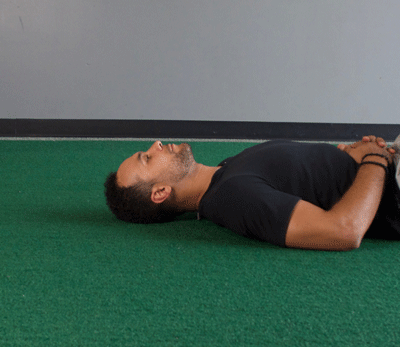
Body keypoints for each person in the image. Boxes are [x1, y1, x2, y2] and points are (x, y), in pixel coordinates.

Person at [104, 135, 400, 251]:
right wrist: (375, 159)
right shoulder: (233, 197)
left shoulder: (226, 171)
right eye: (147, 158)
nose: (156, 144)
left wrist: (348, 156)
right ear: (161, 192)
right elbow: (343, 231)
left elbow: (312, 177)